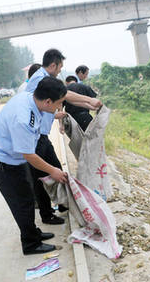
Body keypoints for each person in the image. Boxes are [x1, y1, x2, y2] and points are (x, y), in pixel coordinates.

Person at [0, 76, 68, 255]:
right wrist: (53, 171)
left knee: (27, 197)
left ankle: (34, 233)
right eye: (58, 104)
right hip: (4, 163)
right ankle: (30, 244)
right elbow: (29, 154)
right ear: (48, 101)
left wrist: (55, 115)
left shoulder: (29, 98)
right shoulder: (23, 119)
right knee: (22, 203)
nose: (58, 107)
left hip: (13, 159)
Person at [26, 49, 101, 224]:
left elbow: (48, 102)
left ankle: (61, 204)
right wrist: (89, 101)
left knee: (56, 168)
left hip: (42, 135)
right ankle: (47, 215)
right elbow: (64, 95)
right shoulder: (42, 79)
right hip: (35, 137)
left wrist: (55, 116)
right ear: (53, 65)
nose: (60, 71)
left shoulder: (43, 77)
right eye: (60, 67)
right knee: (42, 176)